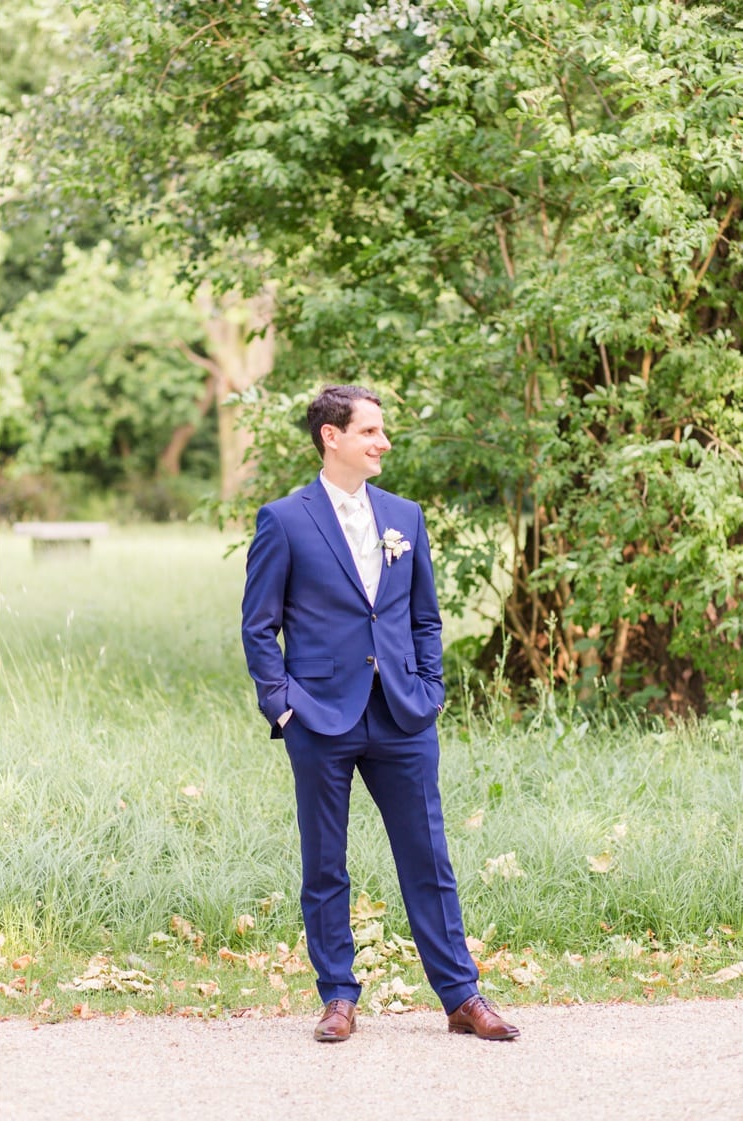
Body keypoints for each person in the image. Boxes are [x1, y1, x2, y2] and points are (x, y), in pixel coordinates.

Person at [240, 385, 518, 1043]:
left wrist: (430, 688)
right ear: (331, 437)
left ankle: (461, 995)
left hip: (402, 713)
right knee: (325, 863)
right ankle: (338, 996)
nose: (383, 442)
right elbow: (259, 627)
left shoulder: (405, 517)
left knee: (428, 856)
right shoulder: (283, 519)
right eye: (369, 431)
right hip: (319, 716)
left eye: (381, 430)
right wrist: (282, 709)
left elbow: (424, 614)